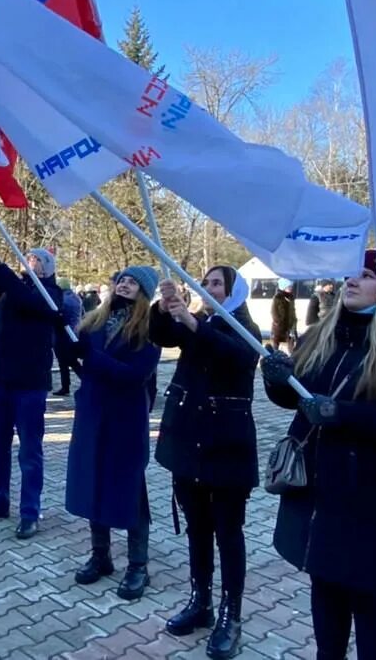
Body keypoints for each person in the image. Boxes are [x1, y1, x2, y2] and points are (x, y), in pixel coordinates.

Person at [260, 250, 376, 660]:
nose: (351, 281)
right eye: (350, 275)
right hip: (319, 492)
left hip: (372, 498)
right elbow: (297, 398)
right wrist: (275, 380)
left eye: (364, 275)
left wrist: (342, 414)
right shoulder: (320, 336)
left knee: (369, 596)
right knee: (324, 585)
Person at [151, 266, 261, 659]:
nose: (209, 288)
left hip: (226, 446)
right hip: (189, 441)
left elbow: (233, 355)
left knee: (228, 533)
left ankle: (231, 614)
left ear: (234, 291)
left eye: (217, 283)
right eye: (207, 282)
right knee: (197, 528)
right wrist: (164, 308)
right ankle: (201, 600)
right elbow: (160, 336)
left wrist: (192, 321)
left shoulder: (244, 327)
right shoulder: (201, 321)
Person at [0, 209, 63, 540]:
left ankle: (29, 512)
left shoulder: (50, 294)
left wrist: (2, 268)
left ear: (47, 269)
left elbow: (24, 296)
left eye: (34, 260)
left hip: (30, 387)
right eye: (28, 258)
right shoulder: (8, 287)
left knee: (29, 452)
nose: (28, 262)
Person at [64, 267, 161, 601]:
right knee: (93, 480)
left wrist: (92, 359)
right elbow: (83, 360)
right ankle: (100, 554)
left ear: (145, 292)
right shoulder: (95, 321)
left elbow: (135, 375)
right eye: (122, 279)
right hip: (92, 413)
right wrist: (65, 345)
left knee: (130, 487)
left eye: (133, 282)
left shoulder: (149, 329)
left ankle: (138, 565)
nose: (124, 284)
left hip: (126, 418)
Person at [54, 278, 85, 396]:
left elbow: (60, 317)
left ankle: (66, 386)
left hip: (63, 334)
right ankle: (68, 385)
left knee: (65, 362)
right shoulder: (77, 298)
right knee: (72, 361)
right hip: (75, 333)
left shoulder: (62, 299)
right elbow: (83, 313)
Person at [270, 279, 297, 351]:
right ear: (283, 287)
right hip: (279, 325)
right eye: (289, 287)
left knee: (291, 341)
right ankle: (274, 355)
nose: (291, 288)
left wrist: (294, 320)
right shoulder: (277, 297)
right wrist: (278, 322)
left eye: (291, 287)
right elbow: (273, 311)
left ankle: (292, 356)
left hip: (289, 324)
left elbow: (292, 311)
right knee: (276, 342)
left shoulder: (291, 298)